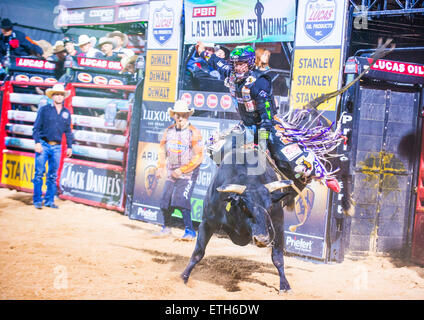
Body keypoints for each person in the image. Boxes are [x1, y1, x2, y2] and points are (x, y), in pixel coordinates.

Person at [196, 41, 340, 192]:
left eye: (241, 64)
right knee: (216, 150)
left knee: (288, 157)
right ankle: (230, 180)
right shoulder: (231, 74)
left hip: (269, 126)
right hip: (246, 126)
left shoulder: (259, 83)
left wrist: (262, 142)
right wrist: (201, 52)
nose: (237, 67)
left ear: (250, 63)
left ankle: (324, 175)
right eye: (235, 64)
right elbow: (216, 62)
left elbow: (266, 117)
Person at [155, 100, 204, 239]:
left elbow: (199, 156)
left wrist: (182, 170)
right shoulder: (169, 131)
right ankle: (166, 227)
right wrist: (160, 167)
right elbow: (162, 150)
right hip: (172, 172)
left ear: (188, 115)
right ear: (174, 115)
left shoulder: (193, 133)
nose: (181, 118)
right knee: (165, 200)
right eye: (178, 115)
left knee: (181, 199)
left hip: (188, 174)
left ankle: (190, 231)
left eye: (184, 115)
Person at [32, 84, 73, 209]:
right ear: (53, 96)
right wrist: (37, 142)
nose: (59, 97)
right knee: (39, 173)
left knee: (53, 175)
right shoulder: (44, 109)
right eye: (57, 94)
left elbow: (68, 131)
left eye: (61, 94)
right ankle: (38, 200)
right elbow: (36, 128)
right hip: (43, 144)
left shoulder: (66, 112)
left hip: (57, 146)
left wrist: (70, 146)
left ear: (63, 97)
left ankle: (49, 200)